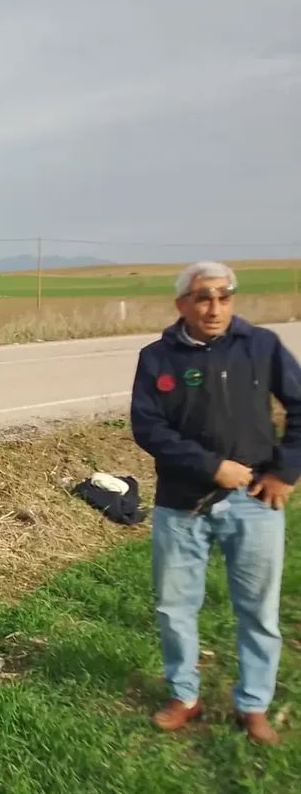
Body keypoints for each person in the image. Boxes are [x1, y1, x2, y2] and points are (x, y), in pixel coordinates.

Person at [131, 261, 301, 745]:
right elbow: (148, 427)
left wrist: (285, 472)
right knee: (174, 607)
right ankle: (184, 695)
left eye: (224, 297)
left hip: (254, 500)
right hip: (181, 504)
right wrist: (211, 467)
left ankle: (253, 703)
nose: (214, 308)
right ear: (182, 304)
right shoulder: (157, 357)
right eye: (203, 297)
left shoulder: (261, 346)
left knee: (258, 609)